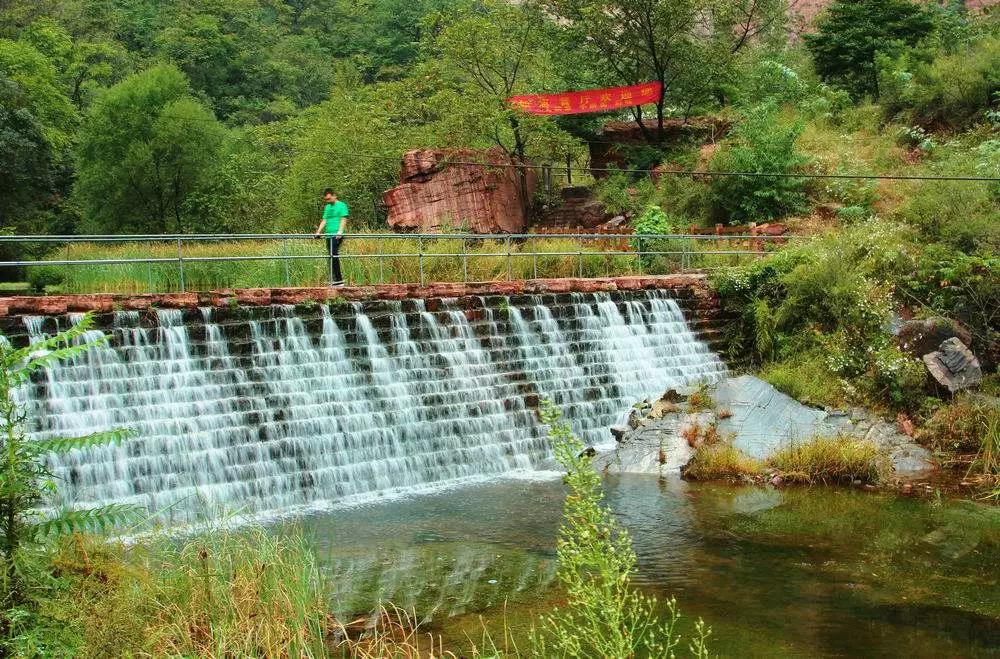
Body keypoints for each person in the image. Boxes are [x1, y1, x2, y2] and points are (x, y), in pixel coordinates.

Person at [314, 188, 349, 285]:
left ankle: (339, 280)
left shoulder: (342, 205)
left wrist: (340, 231)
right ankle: (334, 280)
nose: (328, 201)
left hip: (337, 234)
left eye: (329, 199)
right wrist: (318, 232)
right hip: (328, 235)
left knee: (333, 254)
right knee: (330, 256)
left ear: (334, 195)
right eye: (326, 200)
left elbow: (343, 219)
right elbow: (324, 220)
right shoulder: (327, 207)